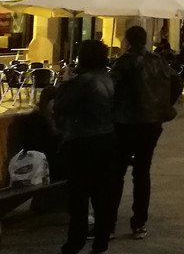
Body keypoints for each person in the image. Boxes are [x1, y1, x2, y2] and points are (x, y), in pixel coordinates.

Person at [109, 25, 180, 241]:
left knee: (116, 174)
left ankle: (109, 223)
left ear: (127, 40)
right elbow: (176, 81)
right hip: (151, 122)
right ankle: (139, 223)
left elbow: (111, 86)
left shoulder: (125, 61)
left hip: (126, 121)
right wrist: (165, 105)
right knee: (142, 172)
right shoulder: (157, 60)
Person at [53, 39, 117, 254]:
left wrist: (66, 82)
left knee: (79, 197)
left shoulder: (83, 82)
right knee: (102, 195)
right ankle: (101, 241)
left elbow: (61, 107)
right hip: (106, 139)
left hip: (83, 142)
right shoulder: (107, 78)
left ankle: (75, 242)